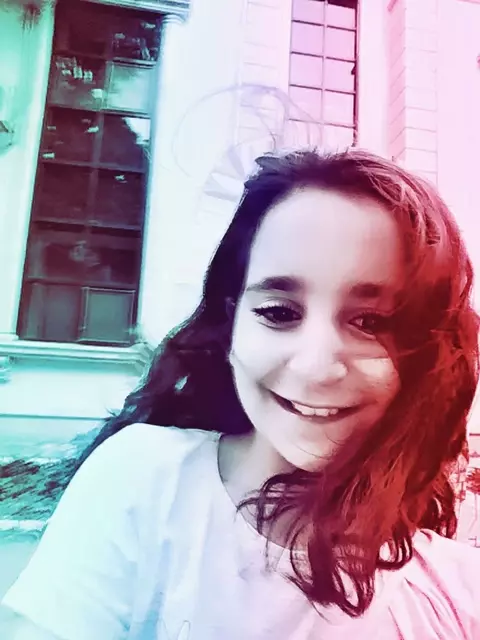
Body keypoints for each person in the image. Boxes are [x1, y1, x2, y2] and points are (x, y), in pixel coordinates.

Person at [2, 149, 480, 640]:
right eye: (278, 312)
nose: (315, 367)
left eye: (372, 322)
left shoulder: (457, 595)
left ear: (427, 353)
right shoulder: (145, 482)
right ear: (230, 325)